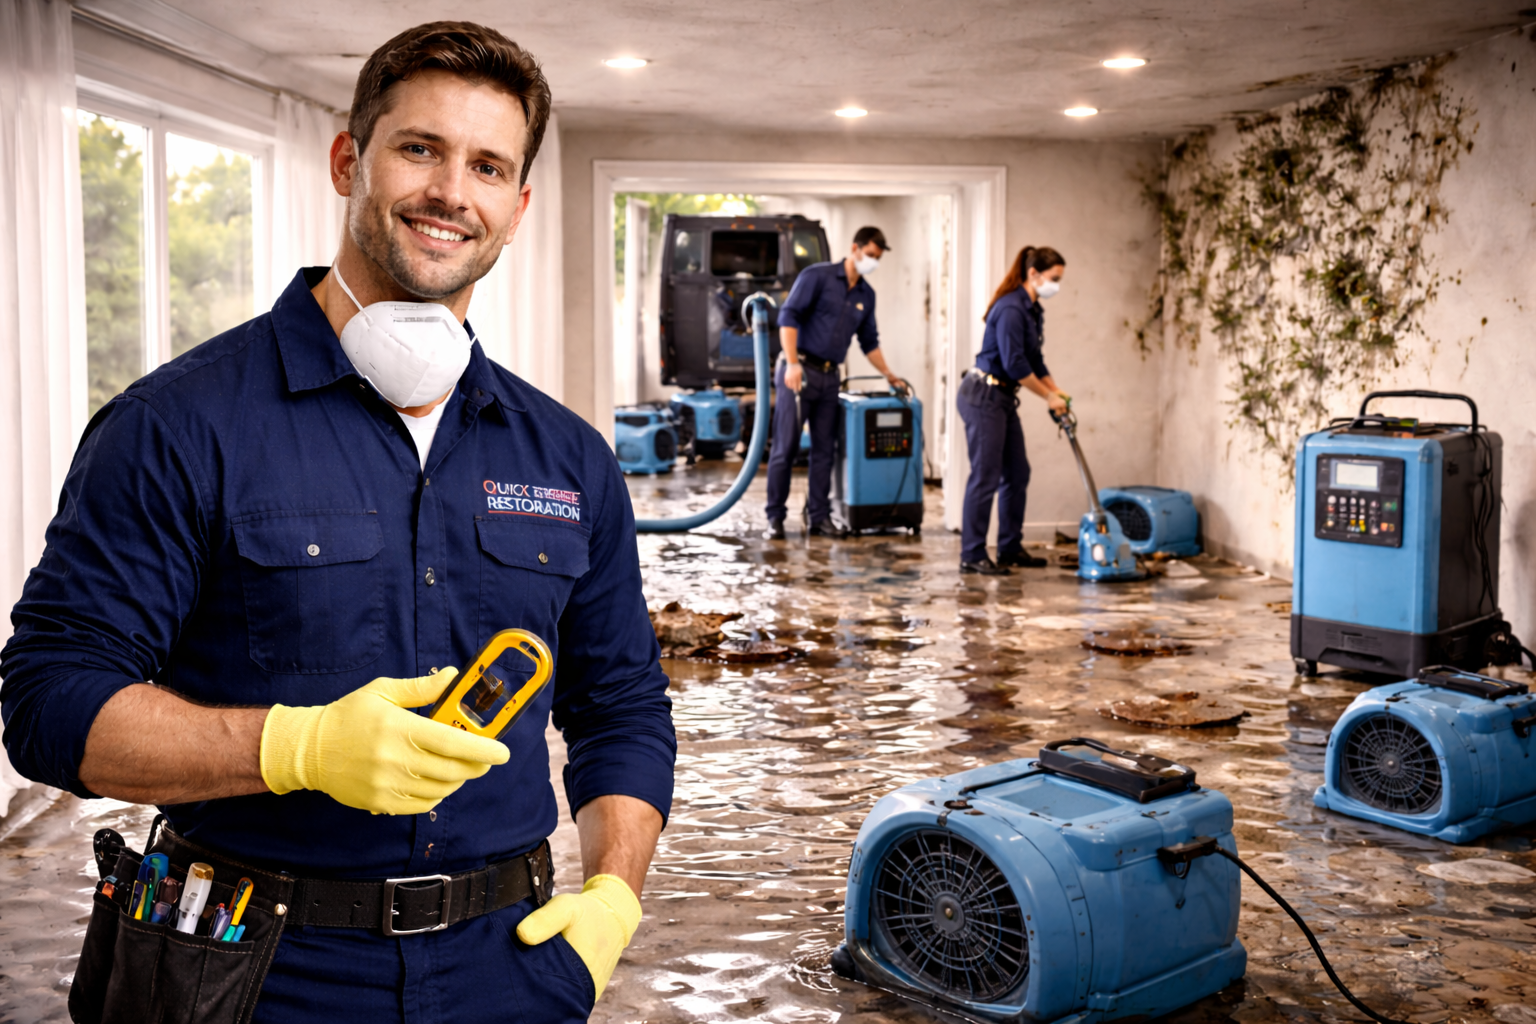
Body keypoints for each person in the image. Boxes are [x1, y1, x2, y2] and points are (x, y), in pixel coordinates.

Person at [0, 22, 674, 1024]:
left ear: (518, 206)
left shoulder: (568, 459)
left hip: (510, 966)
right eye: (420, 149)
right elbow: (49, 706)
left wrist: (614, 895)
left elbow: (619, 706)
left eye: (488, 165)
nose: (453, 191)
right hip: (251, 970)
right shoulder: (178, 426)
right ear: (348, 159)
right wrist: (294, 747)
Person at [763, 226, 903, 539]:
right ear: (854, 248)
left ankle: (819, 518)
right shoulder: (818, 277)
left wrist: (889, 374)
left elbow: (869, 342)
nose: (873, 262)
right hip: (799, 372)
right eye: (869, 255)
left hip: (829, 377)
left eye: (877, 258)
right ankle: (775, 518)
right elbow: (788, 318)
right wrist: (793, 363)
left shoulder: (866, 295)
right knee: (785, 448)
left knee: (825, 449)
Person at [957, 245, 1071, 575]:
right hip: (983, 395)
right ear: (1033, 274)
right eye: (1053, 278)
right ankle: (972, 554)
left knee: (1017, 473)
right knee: (985, 477)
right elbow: (1015, 363)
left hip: (1003, 397)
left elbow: (1035, 360)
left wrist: (1056, 389)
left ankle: (1009, 547)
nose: (1056, 286)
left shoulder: (1033, 310)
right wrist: (1048, 398)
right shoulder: (1010, 309)